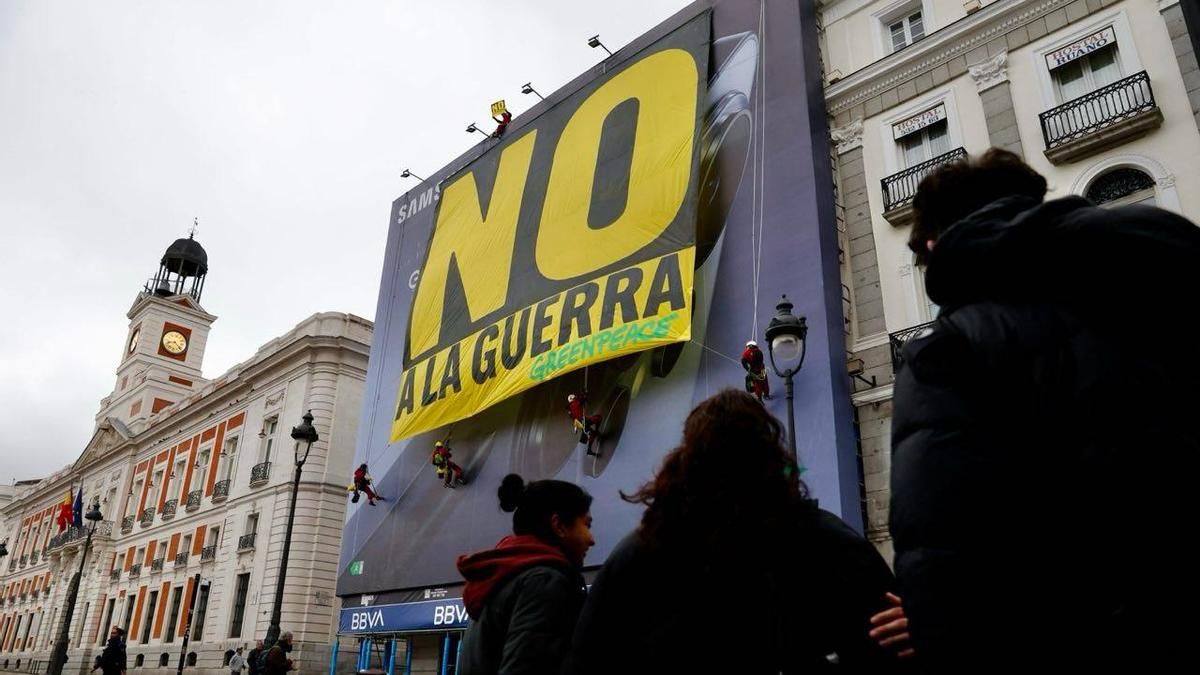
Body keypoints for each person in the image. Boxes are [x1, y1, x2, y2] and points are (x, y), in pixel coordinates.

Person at [890, 148, 1200, 671]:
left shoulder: (953, 348)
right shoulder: (1162, 264)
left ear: (935, 242)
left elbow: (945, 552)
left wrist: (934, 621)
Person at [564, 389, 912, 674]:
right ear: (772, 457)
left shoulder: (643, 553)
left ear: (687, 462)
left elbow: (588, 658)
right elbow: (890, 644)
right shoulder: (826, 543)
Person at [457, 474, 593, 675]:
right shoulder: (544, 581)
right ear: (559, 526)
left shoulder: (505, 578)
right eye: (586, 525)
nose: (592, 539)